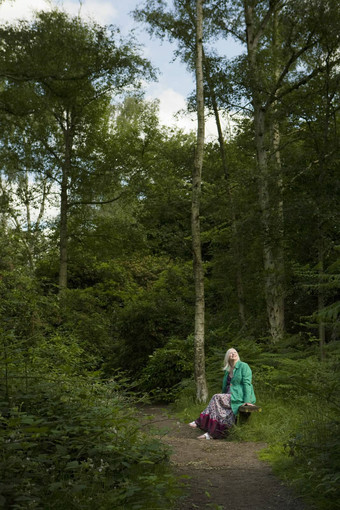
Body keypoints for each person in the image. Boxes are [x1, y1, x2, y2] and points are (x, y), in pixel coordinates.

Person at [189, 348, 256, 439]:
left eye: (235, 352)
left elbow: (247, 384)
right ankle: (212, 433)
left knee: (216, 397)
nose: (233, 354)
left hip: (239, 396)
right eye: (230, 353)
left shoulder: (244, 366)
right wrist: (223, 397)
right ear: (227, 356)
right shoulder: (227, 370)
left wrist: (247, 401)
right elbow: (225, 387)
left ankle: (200, 422)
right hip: (228, 396)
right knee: (217, 407)